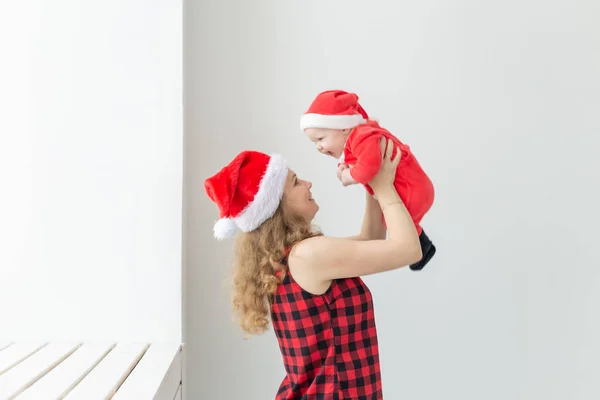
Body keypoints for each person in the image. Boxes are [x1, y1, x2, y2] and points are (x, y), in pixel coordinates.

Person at [204, 138, 422, 399]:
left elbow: (370, 240)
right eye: (296, 182)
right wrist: (384, 187)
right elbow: (410, 249)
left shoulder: (295, 256)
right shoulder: (309, 255)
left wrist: (371, 177)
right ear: (277, 207)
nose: (308, 184)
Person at [300, 89, 436, 270]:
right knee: (399, 222)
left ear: (343, 127)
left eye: (320, 138)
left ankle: (422, 251)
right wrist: (347, 166)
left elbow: (369, 168)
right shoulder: (359, 139)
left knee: (398, 225)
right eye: (315, 143)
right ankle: (423, 248)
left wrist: (349, 176)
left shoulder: (362, 136)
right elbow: (364, 162)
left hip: (412, 190)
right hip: (413, 188)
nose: (319, 147)